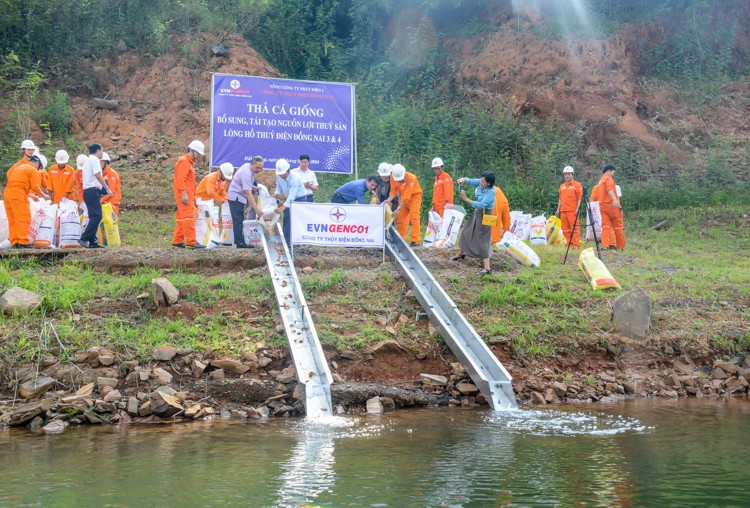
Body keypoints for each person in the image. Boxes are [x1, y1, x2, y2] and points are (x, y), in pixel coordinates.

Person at [451, 172, 496, 275]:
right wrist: (464, 180)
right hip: (477, 213)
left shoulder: (490, 192)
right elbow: (472, 181)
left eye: (483, 181)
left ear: (488, 183)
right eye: (481, 180)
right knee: (466, 231)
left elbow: (481, 204)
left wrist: (466, 199)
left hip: (485, 215)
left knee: (483, 239)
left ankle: (487, 267)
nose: (481, 182)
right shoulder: (481, 183)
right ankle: (461, 253)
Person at [3, 155, 47, 248]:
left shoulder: (19, 168)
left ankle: (15, 242)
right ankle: (23, 242)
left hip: (7, 194)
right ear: (38, 163)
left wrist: (30, 195)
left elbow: (17, 184)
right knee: (23, 218)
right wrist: (43, 195)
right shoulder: (32, 169)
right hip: (18, 195)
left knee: (13, 219)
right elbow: (35, 187)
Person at [171, 140, 205, 249]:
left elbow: (189, 181)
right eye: (199, 154)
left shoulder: (188, 163)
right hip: (184, 195)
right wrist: (184, 194)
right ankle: (191, 241)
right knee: (188, 217)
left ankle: (178, 240)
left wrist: (193, 195)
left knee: (181, 218)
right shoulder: (184, 162)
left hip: (188, 194)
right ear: (193, 151)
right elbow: (181, 180)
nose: (199, 156)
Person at [80, 143, 113, 248]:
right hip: (92, 191)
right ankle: (84, 238)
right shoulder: (94, 160)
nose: (102, 153)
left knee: (93, 216)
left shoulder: (87, 161)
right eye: (102, 150)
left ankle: (93, 241)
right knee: (97, 216)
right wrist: (107, 189)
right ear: (98, 150)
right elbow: (98, 175)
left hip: (88, 191)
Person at [227, 157, 265, 249]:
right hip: (235, 197)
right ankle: (239, 243)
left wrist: (253, 187)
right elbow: (248, 192)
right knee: (238, 220)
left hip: (239, 196)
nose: (259, 170)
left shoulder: (249, 169)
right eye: (258, 168)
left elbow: (246, 184)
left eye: (261, 168)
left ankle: (240, 241)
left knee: (239, 219)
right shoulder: (247, 173)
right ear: (252, 164)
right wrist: (256, 209)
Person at [384, 164, 422, 246]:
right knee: (401, 219)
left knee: (414, 217)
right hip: (403, 199)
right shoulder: (392, 177)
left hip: (414, 197)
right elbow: (393, 191)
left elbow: (407, 196)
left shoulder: (411, 178)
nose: (399, 181)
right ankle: (401, 240)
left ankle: (415, 240)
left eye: (401, 180)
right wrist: (388, 200)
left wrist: (398, 208)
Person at [274, 158, 308, 246]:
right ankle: (286, 242)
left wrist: (282, 207)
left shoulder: (295, 178)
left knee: (296, 220)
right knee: (287, 219)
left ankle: (296, 244)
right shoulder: (279, 175)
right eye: (280, 174)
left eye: (283, 174)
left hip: (299, 199)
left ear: (288, 170)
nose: (282, 176)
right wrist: (277, 193)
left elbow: (292, 196)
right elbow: (278, 187)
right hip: (288, 198)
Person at [597, 164, 626, 251]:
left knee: (605, 226)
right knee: (618, 226)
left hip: (602, 206)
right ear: (609, 170)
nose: (613, 174)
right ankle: (620, 247)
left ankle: (604, 246)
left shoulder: (601, 180)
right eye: (613, 172)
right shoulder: (608, 179)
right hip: (611, 206)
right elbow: (610, 189)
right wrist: (615, 200)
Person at [555, 165, 583, 247]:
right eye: (565, 174)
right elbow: (560, 199)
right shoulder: (562, 186)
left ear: (572, 174)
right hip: (563, 210)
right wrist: (558, 209)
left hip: (573, 210)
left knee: (574, 228)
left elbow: (579, 198)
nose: (567, 176)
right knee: (565, 229)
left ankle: (575, 244)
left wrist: (577, 208)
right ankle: (569, 244)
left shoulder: (577, 185)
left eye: (568, 174)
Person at [100, 152, 121, 217]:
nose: (98, 164)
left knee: (111, 225)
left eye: (100, 162)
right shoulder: (100, 174)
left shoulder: (112, 174)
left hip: (112, 203)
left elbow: (111, 192)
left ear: (106, 162)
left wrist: (100, 201)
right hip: (104, 203)